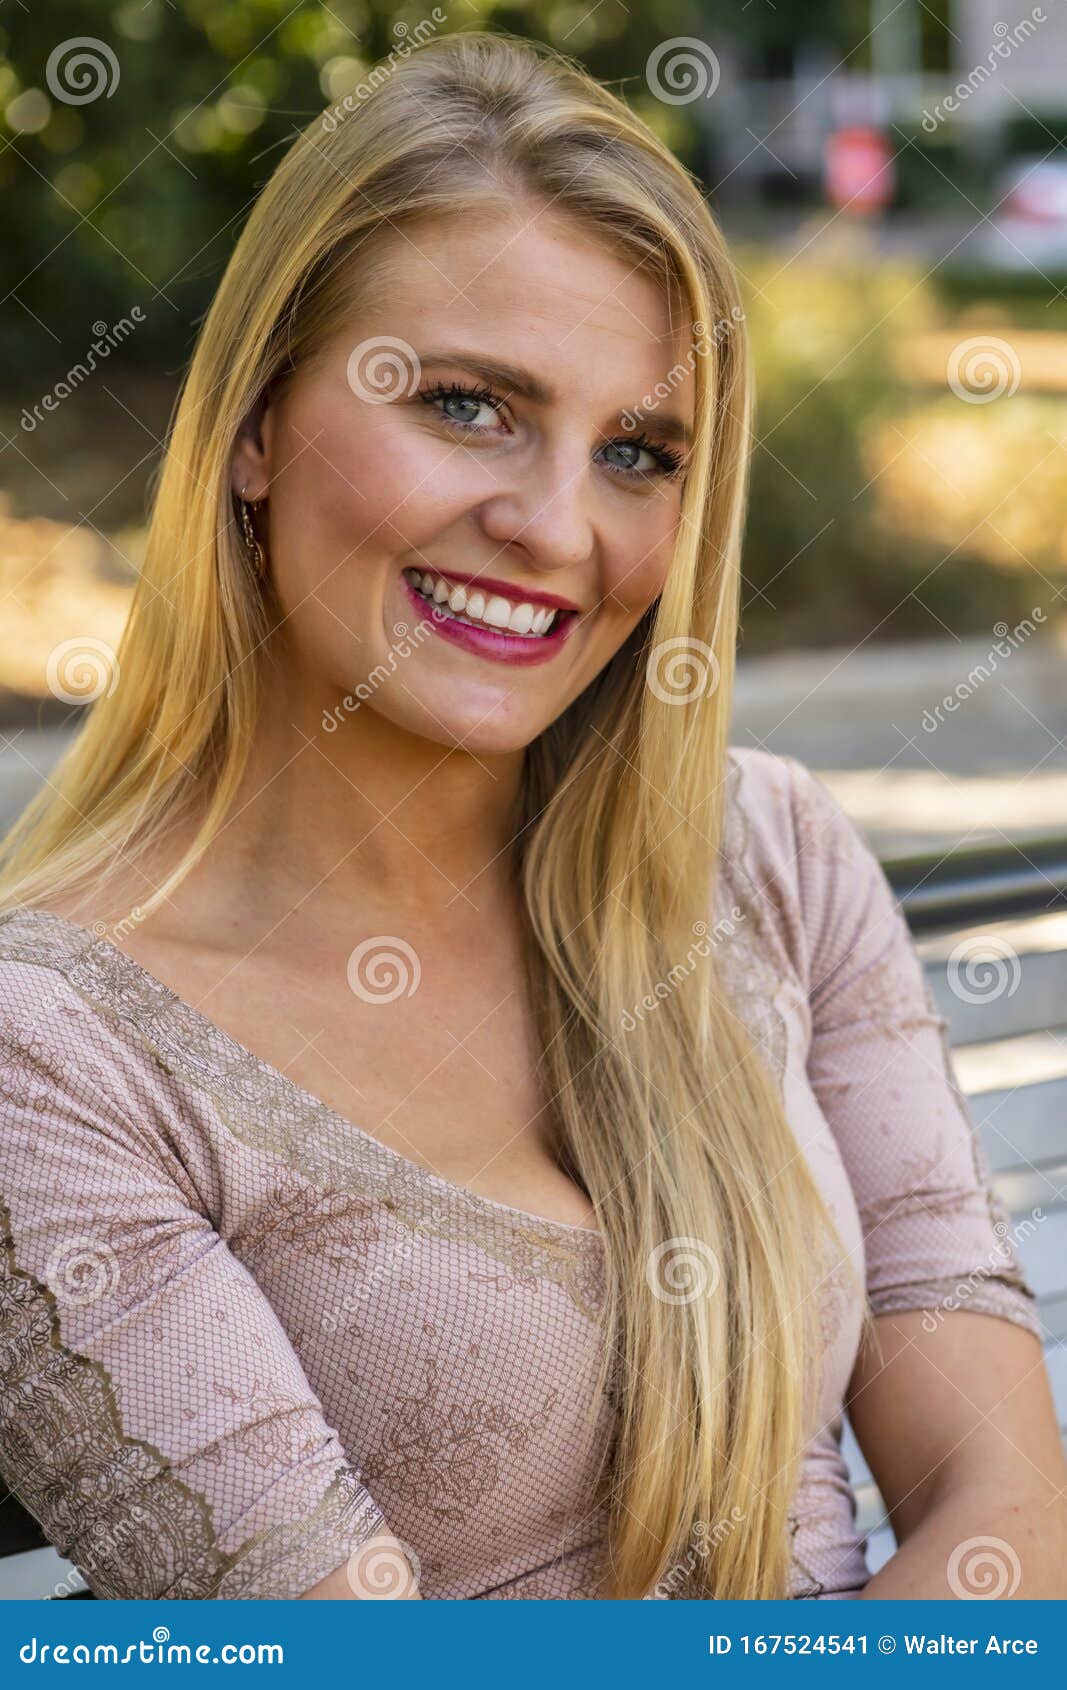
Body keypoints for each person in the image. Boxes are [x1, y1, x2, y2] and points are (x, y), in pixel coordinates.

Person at [0, 31, 1063, 1602]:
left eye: (638, 451)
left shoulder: (766, 855)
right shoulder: (56, 1048)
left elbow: (1010, 1514)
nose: (559, 526)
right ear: (252, 427)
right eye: (469, 407)